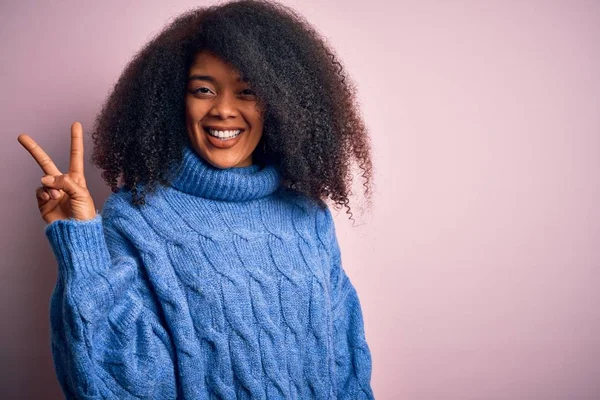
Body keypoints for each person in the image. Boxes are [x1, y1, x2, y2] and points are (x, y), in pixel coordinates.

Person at [17, 0, 375, 398]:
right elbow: (121, 385)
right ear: (173, 100)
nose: (223, 109)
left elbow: (347, 371)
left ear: (282, 102)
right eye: (203, 89)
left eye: (247, 91)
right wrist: (81, 243)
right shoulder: (139, 217)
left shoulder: (308, 215)